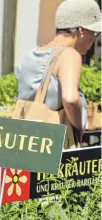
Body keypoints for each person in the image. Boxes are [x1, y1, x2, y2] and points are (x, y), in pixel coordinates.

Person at [17, 0, 101, 145]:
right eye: (94, 32)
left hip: (26, 142)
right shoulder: (69, 55)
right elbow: (70, 98)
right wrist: (79, 128)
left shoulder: (31, 55)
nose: (94, 39)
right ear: (80, 30)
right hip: (53, 146)